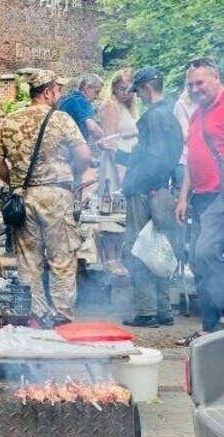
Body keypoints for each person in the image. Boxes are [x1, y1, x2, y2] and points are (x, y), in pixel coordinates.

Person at [0, 69, 91, 324]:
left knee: (28, 260)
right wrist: (70, 177)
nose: (59, 94)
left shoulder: (9, 120)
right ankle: (62, 315)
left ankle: (36, 315)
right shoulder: (62, 120)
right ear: (47, 92)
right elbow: (84, 157)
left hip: (23, 198)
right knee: (62, 257)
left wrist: (15, 182)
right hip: (56, 194)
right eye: (57, 90)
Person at [98, 66, 183, 328]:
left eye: (140, 91)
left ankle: (147, 312)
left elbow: (150, 157)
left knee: (137, 251)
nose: (139, 97)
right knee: (158, 250)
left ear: (147, 88)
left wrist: (117, 153)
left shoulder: (153, 117)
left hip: (145, 191)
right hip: (161, 189)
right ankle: (164, 309)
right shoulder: (170, 115)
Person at [175, 57, 224, 345]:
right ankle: (209, 328)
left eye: (200, 83)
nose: (194, 89)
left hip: (222, 194)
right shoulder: (196, 115)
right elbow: (192, 160)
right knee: (197, 260)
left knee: (205, 252)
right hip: (202, 197)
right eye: (190, 84)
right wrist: (183, 197)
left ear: (216, 78)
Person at [95, 69, 138, 276]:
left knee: (123, 213)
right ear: (114, 88)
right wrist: (121, 170)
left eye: (129, 89)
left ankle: (118, 257)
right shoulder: (110, 106)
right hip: (115, 164)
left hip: (128, 161)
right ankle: (110, 258)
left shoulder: (129, 107)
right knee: (111, 209)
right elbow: (110, 141)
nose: (126, 93)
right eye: (122, 89)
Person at [58, 73, 105, 140]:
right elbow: (92, 127)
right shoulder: (79, 101)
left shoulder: (71, 98)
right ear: (87, 88)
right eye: (96, 92)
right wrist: (107, 138)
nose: (97, 97)